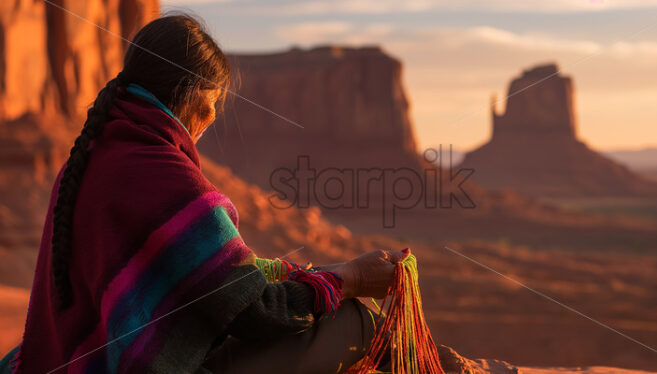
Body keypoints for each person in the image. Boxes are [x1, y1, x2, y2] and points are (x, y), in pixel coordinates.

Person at [1, 14, 408, 374]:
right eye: (214, 105)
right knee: (355, 322)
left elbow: (202, 288)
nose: (211, 121)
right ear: (196, 97)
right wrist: (350, 279)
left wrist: (311, 273)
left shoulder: (86, 158)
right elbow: (257, 313)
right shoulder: (170, 182)